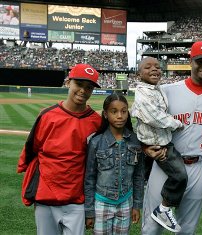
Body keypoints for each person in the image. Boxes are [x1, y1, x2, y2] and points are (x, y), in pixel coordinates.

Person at [142, 41, 202, 235]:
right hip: (165, 164)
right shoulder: (168, 90)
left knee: (187, 229)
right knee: (151, 227)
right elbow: (145, 121)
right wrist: (145, 147)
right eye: (200, 60)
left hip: (198, 167)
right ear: (191, 62)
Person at [17, 63, 102, 235]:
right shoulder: (47, 115)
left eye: (89, 87)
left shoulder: (96, 121)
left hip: (76, 198)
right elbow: (32, 148)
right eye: (79, 84)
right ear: (68, 82)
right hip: (46, 195)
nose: (83, 91)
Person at [131, 57, 187, 233]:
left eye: (157, 66)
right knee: (180, 176)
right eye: (148, 67)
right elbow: (155, 117)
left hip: (158, 142)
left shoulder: (157, 89)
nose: (154, 69)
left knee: (144, 179)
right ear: (139, 74)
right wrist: (176, 124)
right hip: (157, 144)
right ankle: (163, 209)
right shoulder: (142, 92)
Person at [84, 93, 145, 235]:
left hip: (125, 202)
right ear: (105, 114)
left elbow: (139, 175)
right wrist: (89, 211)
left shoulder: (135, 141)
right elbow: (89, 178)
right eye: (114, 111)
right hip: (101, 203)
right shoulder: (96, 142)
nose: (120, 116)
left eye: (124, 111)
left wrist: (136, 205)